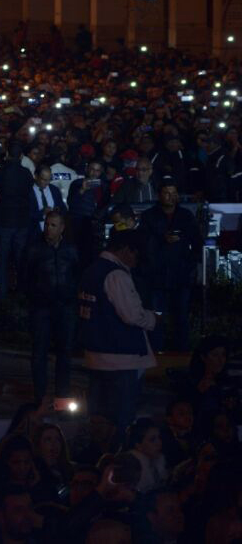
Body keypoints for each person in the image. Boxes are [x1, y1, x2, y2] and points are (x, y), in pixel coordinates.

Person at [78, 230, 158, 435]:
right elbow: (132, 315)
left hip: (96, 356)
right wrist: (154, 319)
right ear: (125, 249)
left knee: (98, 423)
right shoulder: (116, 275)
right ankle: (119, 460)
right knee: (121, 422)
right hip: (121, 359)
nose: (136, 260)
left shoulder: (92, 270)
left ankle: (100, 461)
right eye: (135, 253)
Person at [21, 210, 79, 402]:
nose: (48, 228)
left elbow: (77, 275)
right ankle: (41, 397)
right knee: (39, 353)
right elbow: (26, 277)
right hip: (42, 308)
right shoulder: (34, 249)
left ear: (62, 228)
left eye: (53, 225)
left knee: (64, 353)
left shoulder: (70, 250)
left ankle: (62, 396)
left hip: (65, 307)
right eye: (47, 224)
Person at [138, 182, 201, 351]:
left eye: (173, 193)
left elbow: (197, 242)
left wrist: (190, 265)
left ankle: (182, 353)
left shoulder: (186, 216)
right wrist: (161, 239)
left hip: (181, 277)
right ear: (159, 195)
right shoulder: (149, 216)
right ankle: (157, 353)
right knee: (157, 318)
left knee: (181, 317)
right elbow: (142, 243)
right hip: (157, 278)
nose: (170, 196)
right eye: (166, 192)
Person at [0, 144, 36, 296]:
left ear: (7, 154)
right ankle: (21, 295)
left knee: (2, 261)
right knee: (20, 261)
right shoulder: (26, 173)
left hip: (4, 222)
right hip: (21, 222)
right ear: (21, 157)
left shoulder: (1, 171)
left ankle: (2, 297)